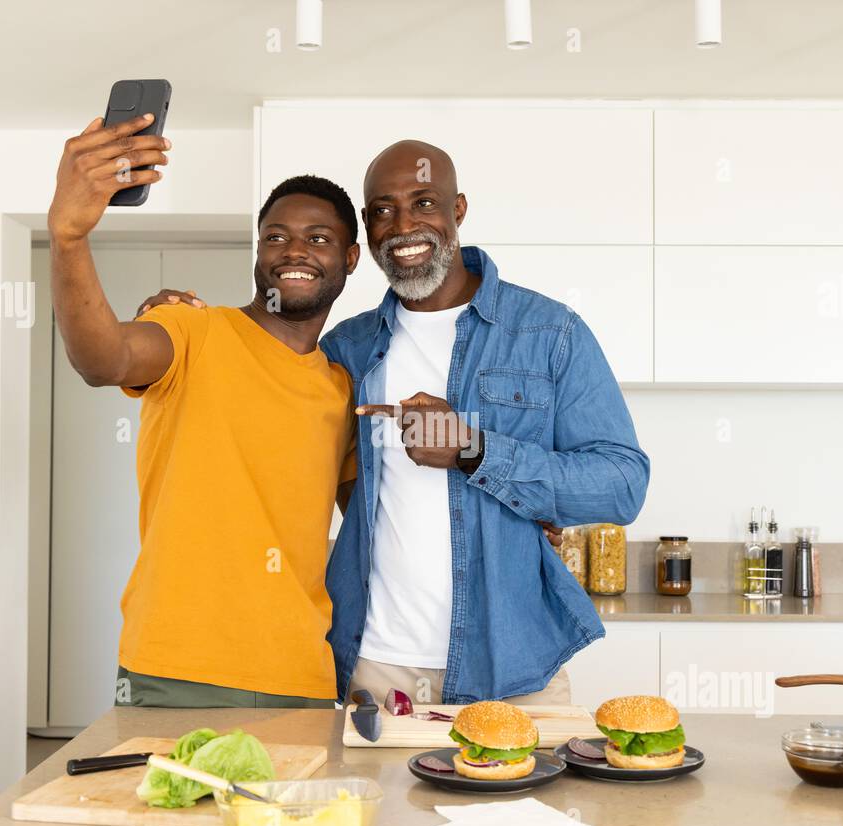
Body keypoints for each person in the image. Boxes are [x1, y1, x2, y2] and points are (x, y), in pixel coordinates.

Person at [144, 139, 650, 706]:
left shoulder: (549, 332)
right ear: (367, 230)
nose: (404, 225)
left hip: (512, 665)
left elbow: (623, 485)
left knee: (516, 797)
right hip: (373, 666)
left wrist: (474, 450)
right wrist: (172, 321)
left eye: (424, 203)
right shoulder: (346, 348)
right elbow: (331, 477)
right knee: (364, 799)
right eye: (384, 210)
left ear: (458, 210)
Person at [47, 113, 361, 707]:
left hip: (301, 674)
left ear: (350, 258)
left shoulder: (343, 389)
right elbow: (104, 359)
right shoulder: (193, 330)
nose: (294, 249)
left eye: (318, 238)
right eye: (275, 236)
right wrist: (68, 238)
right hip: (175, 667)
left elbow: (373, 524)